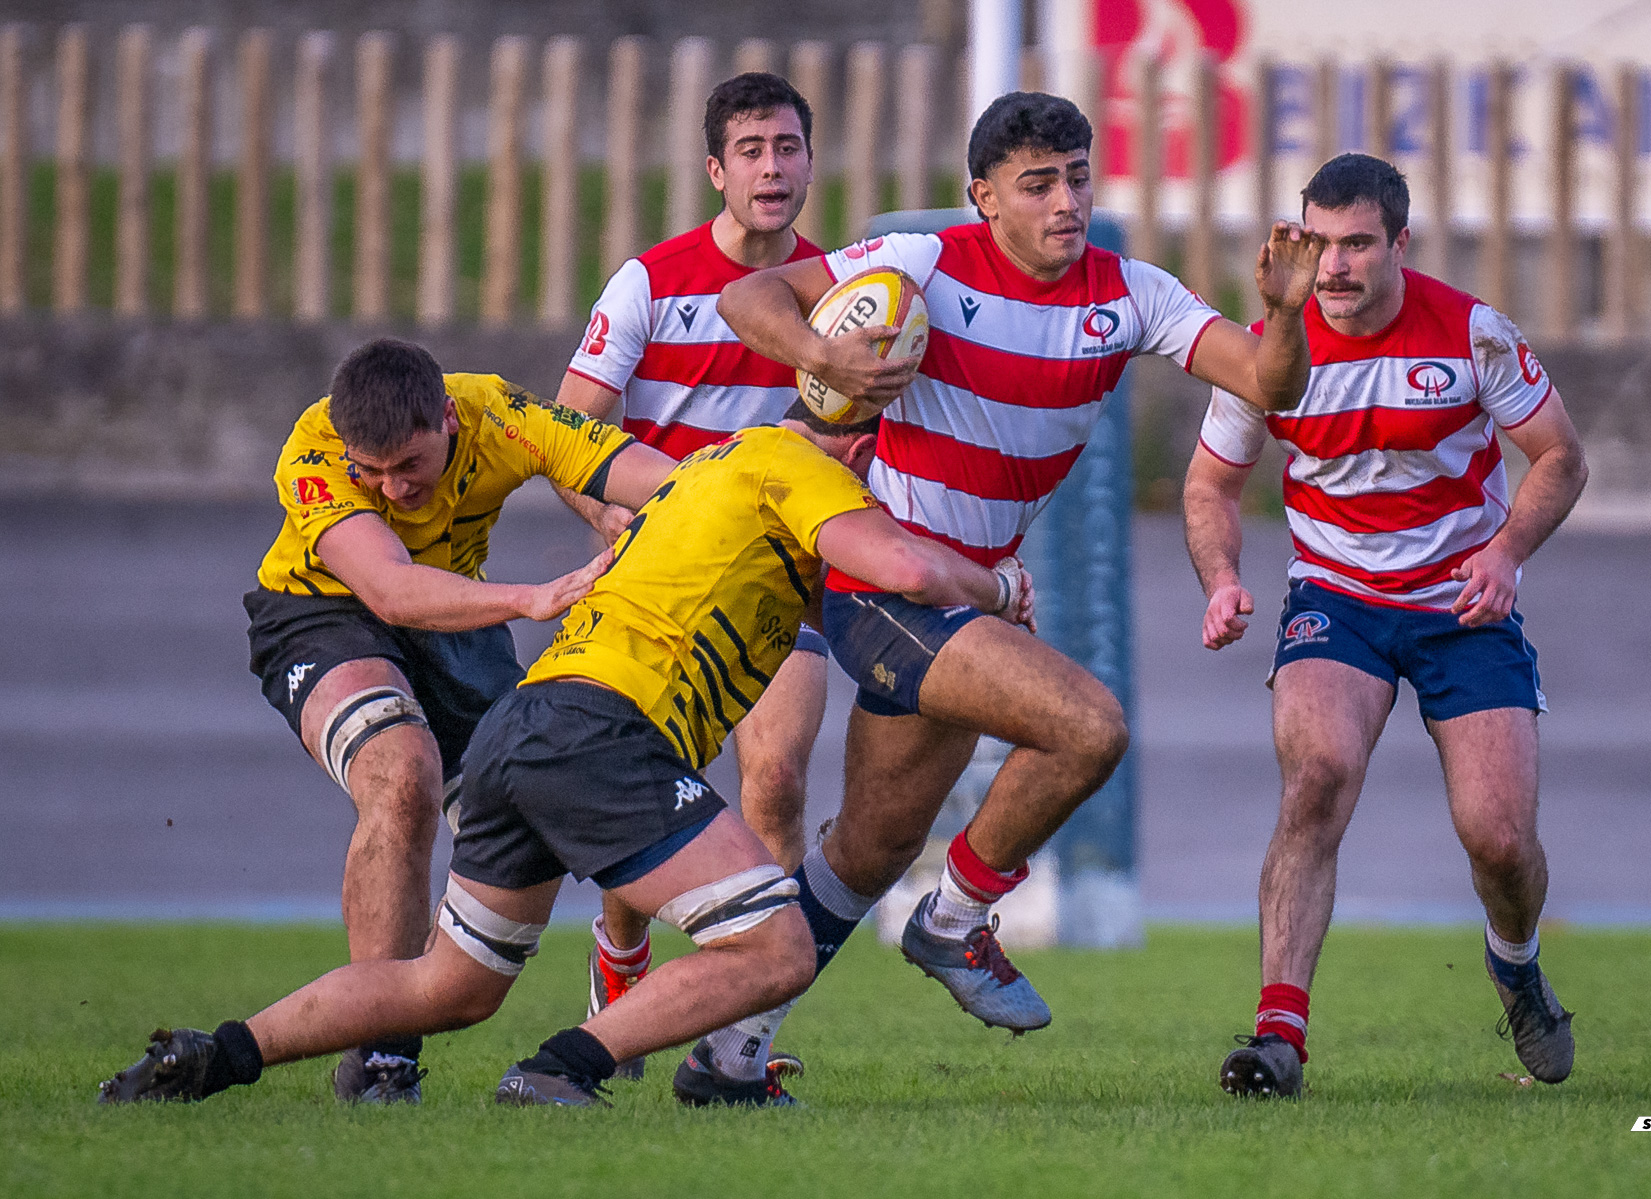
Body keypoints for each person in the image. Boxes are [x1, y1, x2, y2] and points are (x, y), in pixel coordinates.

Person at [99, 402, 1036, 1110]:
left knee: (451, 985)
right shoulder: (799, 464)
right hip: (597, 731)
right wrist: (997, 585)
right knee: (775, 943)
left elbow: (843, 601)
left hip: (525, 719)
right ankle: (562, 1068)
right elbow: (905, 570)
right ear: (864, 451)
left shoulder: (706, 480)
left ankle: (212, 1055)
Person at [712, 91, 1322, 1048]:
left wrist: (1284, 311)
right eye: (1036, 185)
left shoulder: (1132, 294)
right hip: (892, 584)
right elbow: (745, 296)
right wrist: (826, 354)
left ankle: (726, 1052)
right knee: (1088, 728)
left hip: (971, 594)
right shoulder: (926, 263)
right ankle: (953, 923)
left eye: (1076, 178)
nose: (1064, 203)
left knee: (867, 849)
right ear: (982, 198)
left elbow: (1271, 383)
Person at [1184, 153, 1589, 1097]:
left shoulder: (1470, 333)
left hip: (1463, 603)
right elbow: (1210, 483)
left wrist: (1506, 552)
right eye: (1317, 243)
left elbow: (1561, 457)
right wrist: (1220, 577)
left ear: (1399, 243)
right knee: (1316, 777)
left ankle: (1516, 963)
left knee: (1498, 837)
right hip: (1337, 597)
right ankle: (1279, 1037)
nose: (1333, 266)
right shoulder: (1268, 352)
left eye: (1357, 243)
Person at [240, 338, 674, 1103]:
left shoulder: (497, 412)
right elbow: (391, 590)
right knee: (401, 774)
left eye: (408, 465)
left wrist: (735, 487)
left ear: (447, 419)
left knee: (563, 788)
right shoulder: (313, 446)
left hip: (456, 624)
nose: (390, 488)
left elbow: (649, 474)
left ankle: (613, 968)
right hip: (324, 614)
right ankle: (383, 1055)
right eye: (368, 472)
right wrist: (531, 599)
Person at [551, 72, 851, 1087]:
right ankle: (622, 954)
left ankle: (735, 1039)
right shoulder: (650, 280)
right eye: (753, 150)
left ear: (812, 161)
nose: (774, 166)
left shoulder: (840, 290)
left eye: (789, 147)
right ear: (717, 170)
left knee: (776, 776)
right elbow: (572, 430)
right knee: (650, 783)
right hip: (657, 582)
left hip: (775, 582)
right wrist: (623, 523)